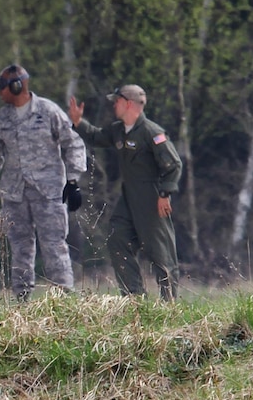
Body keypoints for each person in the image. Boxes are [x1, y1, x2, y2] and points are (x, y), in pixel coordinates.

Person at [0, 64, 86, 298]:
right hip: (14, 195)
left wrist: (73, 181)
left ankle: (64, 301)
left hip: (48, 193)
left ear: (17, 86)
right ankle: (22, 301)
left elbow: (73, 143)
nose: (0, 92)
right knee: (20, 249)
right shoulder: (3, 118)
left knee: (54, 247)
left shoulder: (48, 111)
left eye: (3, 86)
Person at [67, 84, 182, 299]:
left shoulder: (152, 133)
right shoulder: (118, 130)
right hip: (128, 197)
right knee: (117, 238)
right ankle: (134, 298)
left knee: (160, 252)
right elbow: (96, 137)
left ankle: (170, 304)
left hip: (151, 197)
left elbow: (173, 165)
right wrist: (78, 122)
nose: (114, 105)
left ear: (128, 103)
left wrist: (165, 194)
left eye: (117, 101)